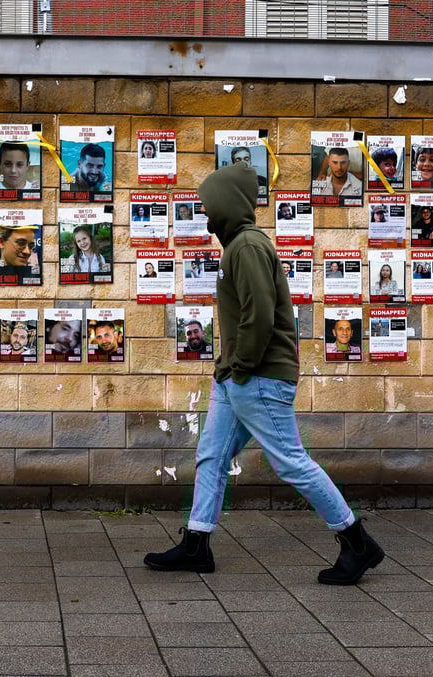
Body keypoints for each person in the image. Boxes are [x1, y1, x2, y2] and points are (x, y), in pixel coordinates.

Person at [143, 162, 383, 584]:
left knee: (291, 462)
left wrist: (242, 368)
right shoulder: (238, 245)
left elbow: (258, 315)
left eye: (208, 205)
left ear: (227, 204)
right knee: (212, 457)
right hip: (235, 377)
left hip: (257, 376)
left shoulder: (248, 246)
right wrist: (230, 371)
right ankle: (197, 544)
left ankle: (356, 542)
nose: (205, 213)